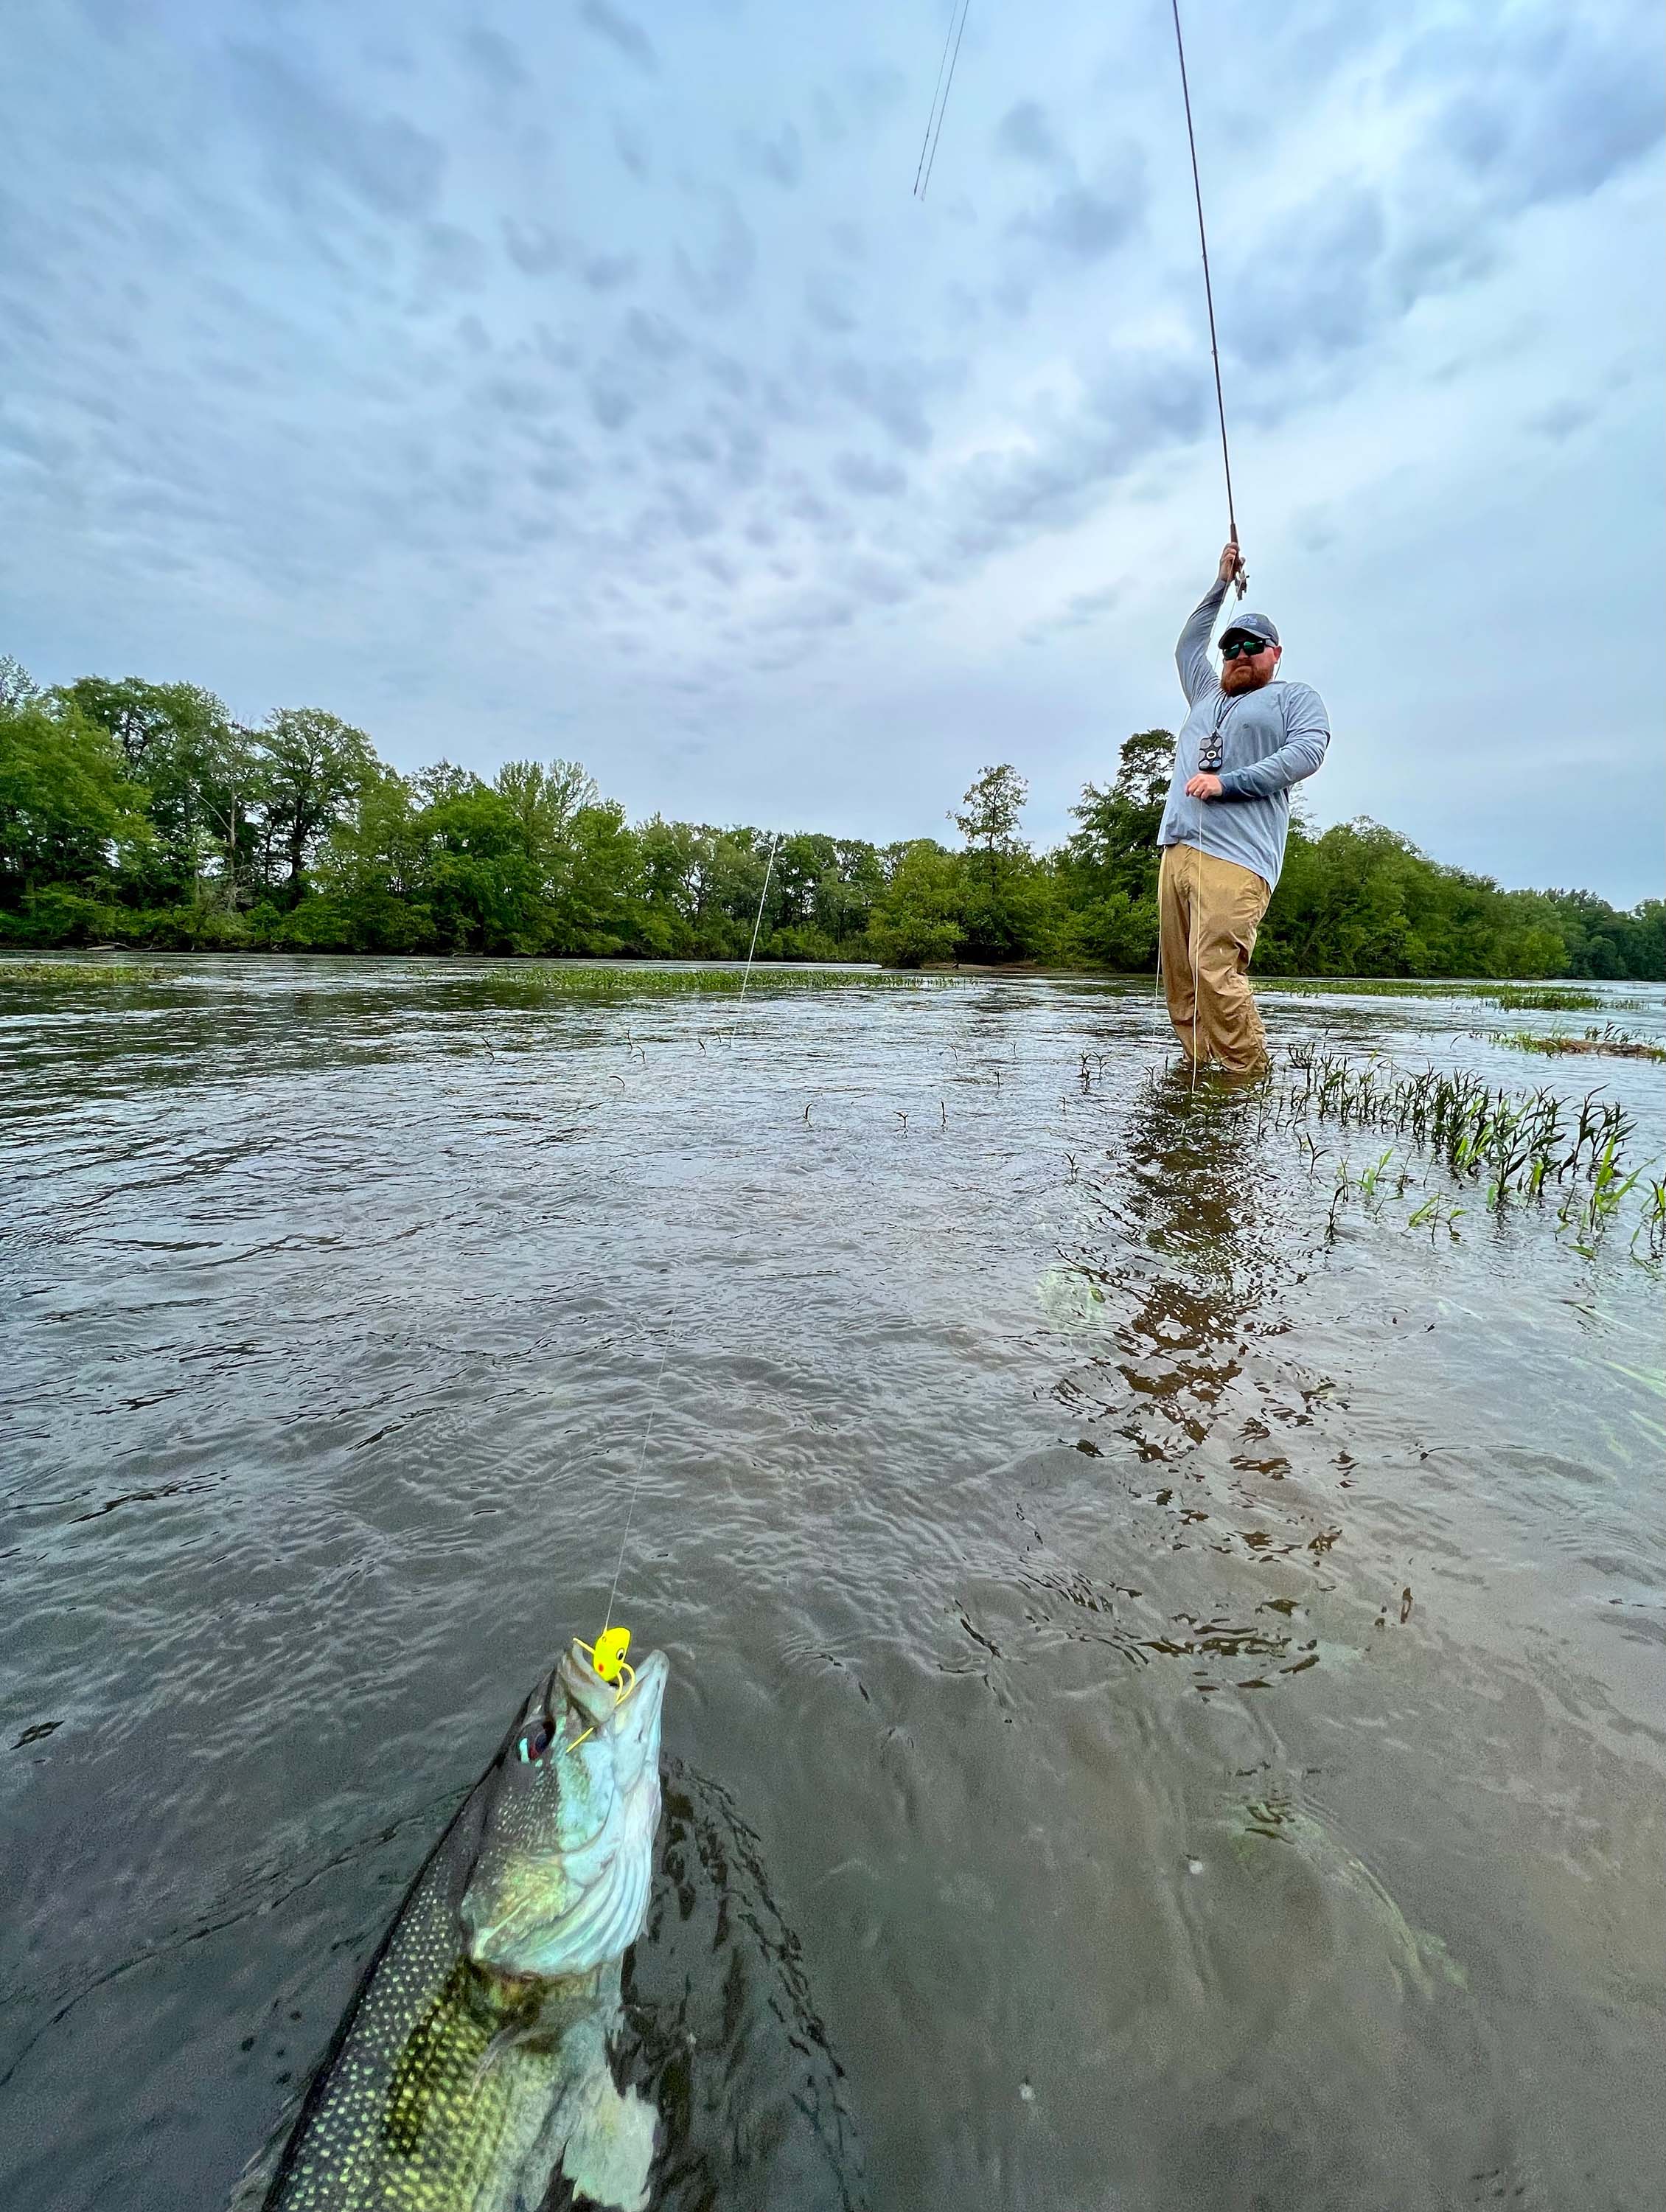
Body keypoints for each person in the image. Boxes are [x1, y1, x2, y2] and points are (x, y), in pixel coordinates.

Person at [1155, 542, 1330, 1075]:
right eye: (1232, 646)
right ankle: (1200, 1078)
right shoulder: (1206, 694)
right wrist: (1220, 584)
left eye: (1254, 646)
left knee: (1214, 968)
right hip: (1177, 850)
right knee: (1182, 981)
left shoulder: (1294, 697)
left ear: (1275, 654)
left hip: (1237, 858)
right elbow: (1188, 645)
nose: (1240, 653)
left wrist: (1227, 783)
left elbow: (1306, 753)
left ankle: (1248, 1080)